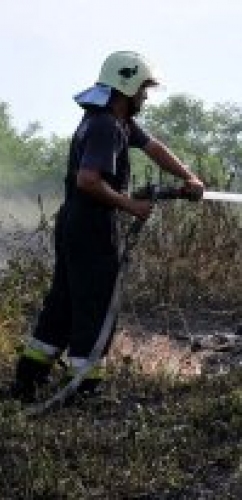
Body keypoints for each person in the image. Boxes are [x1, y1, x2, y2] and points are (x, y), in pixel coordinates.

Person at [9, 50, 204, 402]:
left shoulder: (115, 121)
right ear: (127, 87)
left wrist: (188, 178)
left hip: (76, 223)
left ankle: (28, 380)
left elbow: (153, 147)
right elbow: (88, 180)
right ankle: (83, 390)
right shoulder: (104, 126)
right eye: (143, 88)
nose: (145, 96)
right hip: (91, 226)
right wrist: (130, 205)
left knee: (65, 304)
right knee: (95, 306)